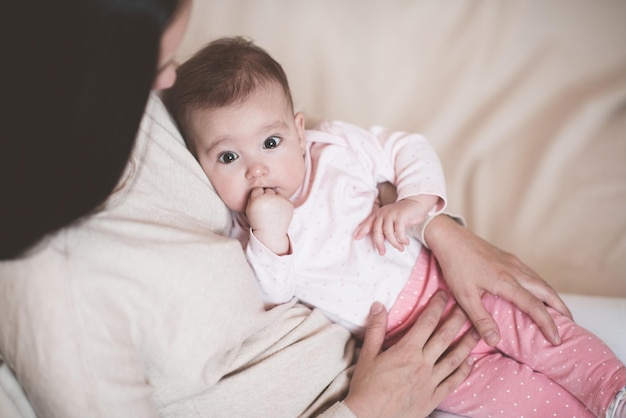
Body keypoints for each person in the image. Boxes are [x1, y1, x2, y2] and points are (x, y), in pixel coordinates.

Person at [0, 3, 579, 416]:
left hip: (414, 309)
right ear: (85, 64)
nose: (169, 81)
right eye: (155, 62)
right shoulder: (56, 292)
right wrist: (367, 411)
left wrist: (440, 228)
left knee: (577, 348)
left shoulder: (136, 109)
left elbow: (279, 137)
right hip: (386, 393)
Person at [163, 36, 626, 417]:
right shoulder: (247, 237)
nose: (256, 169)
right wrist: (270, 236)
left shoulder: (335, 149)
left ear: (299, 131)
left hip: (449, 280)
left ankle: (613, 392)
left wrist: (415, 202)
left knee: (549, 336)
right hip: (409, 347)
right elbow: (270, 298)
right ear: (198, 165)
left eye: (270, 142)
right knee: (509, 400)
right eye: (228, 157)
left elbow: (407, 148)